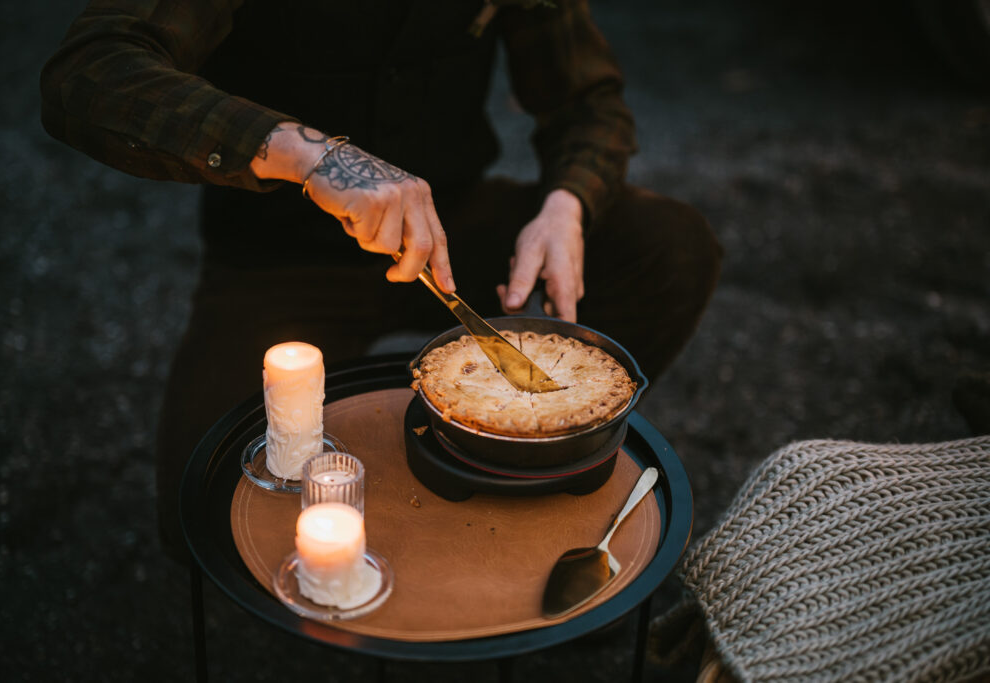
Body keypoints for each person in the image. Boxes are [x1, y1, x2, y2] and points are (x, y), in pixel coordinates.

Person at [41, 0, 722, 562]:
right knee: (202, 511)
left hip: (452, 229)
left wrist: (567, 202)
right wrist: (310, 156)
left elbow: (588, 97)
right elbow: (88, 72)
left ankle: (542, 489)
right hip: (281, 254)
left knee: (667, 246)